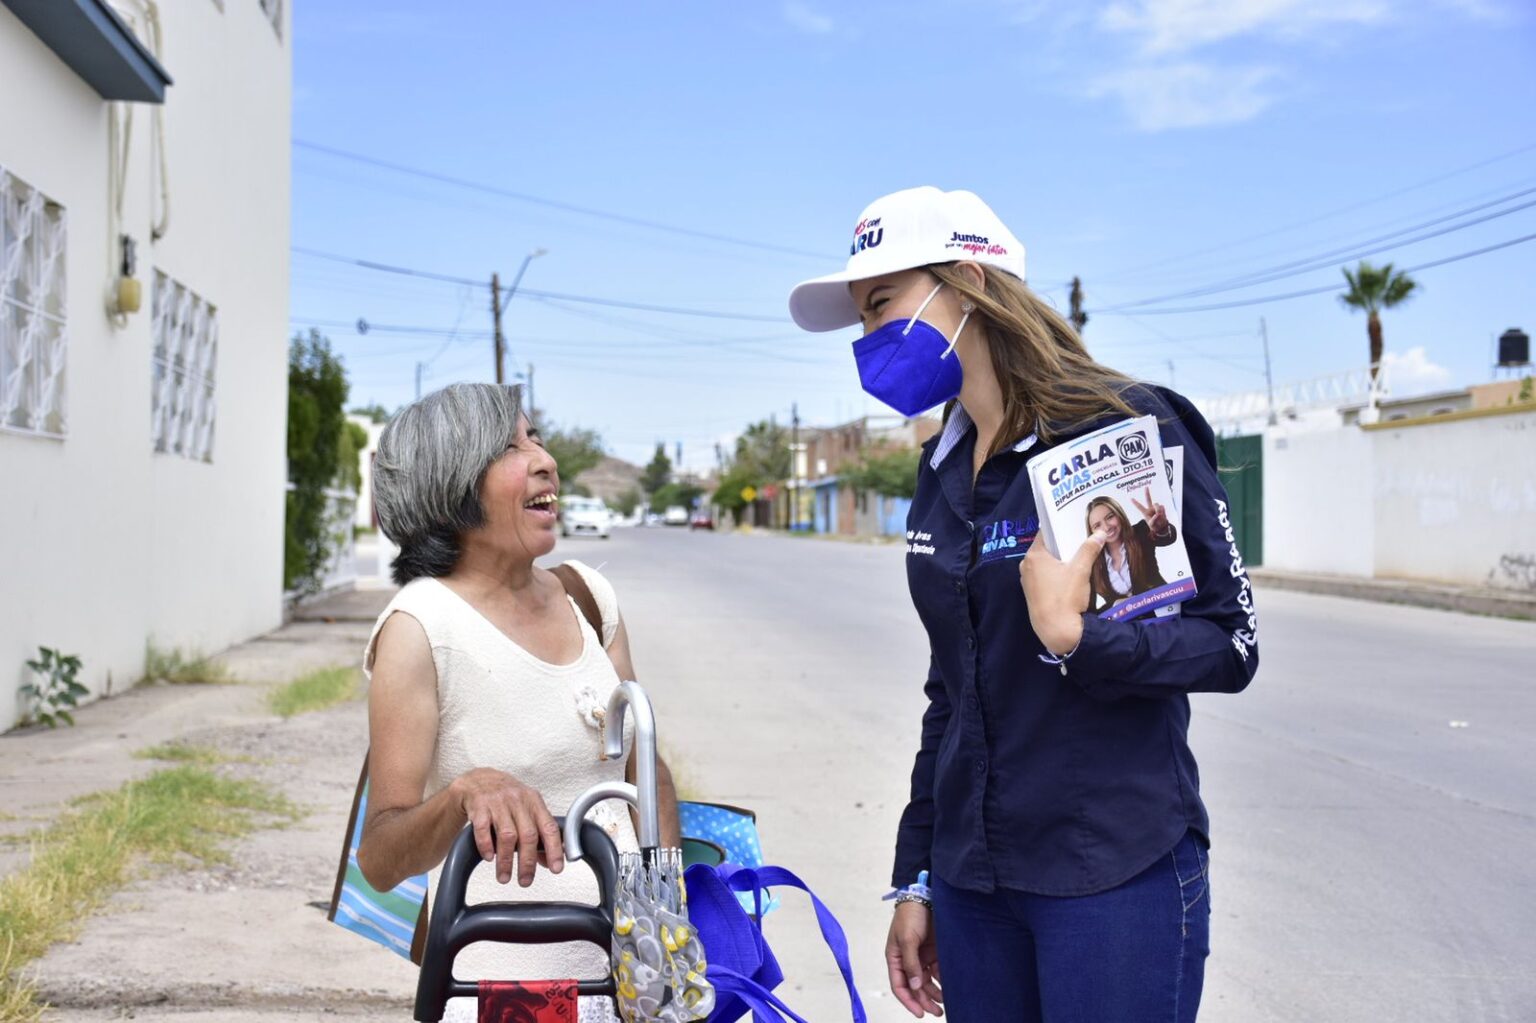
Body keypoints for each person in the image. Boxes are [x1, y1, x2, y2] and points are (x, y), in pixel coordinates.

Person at [788, 187, 1259, 1022]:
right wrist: (918, 873)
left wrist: (1079, 639)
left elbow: (1230, 644)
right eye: (862, 316)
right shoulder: (942, 468)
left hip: (1109, 871)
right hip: (974, 886)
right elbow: (952, 690)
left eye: (881, 303)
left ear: (968, 283)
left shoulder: (1121, 428)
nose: (869, 336)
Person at [355, 382, 679, 1023]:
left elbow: (646, 769)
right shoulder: (420, 627)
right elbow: (381, 858)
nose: (545, 460)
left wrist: (666, 927)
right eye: (510, 448)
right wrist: (463, 793)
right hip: (507, 996)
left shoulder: (587, 597)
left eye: (536, 438)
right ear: (450, 485)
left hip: (629, 981)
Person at [1084, 490, 1178, 613]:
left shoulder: (1140, 532)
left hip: (1165, 609)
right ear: (1091, 532)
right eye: (1097, 526)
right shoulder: (1091, 564)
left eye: (1110, 517)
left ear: (1119, 515)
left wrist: (1161, 529)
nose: (1106, 527)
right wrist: (1115, 605)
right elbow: (1090, 614)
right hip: (1127, 624)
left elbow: (1168, 538)